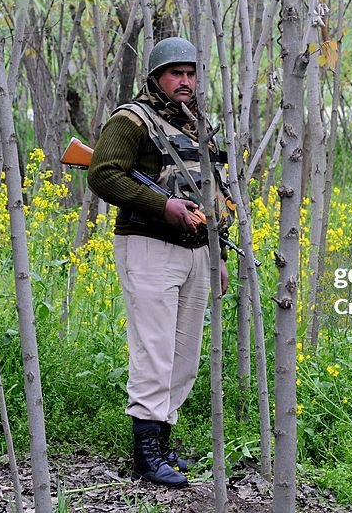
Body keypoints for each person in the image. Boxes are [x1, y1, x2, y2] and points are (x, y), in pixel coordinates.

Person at [88, 36, 231, 488]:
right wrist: (161, 205)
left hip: (197, 253)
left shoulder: (196, 125)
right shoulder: (132, 119)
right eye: (176, 73)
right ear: (156, 77)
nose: (185, 81)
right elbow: (103, 172)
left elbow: (211, 192)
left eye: (190, 73)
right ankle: (146, 454)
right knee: (154, 352)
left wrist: (219, 254)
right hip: (149, 247)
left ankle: (164, 444)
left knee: (184, 356)